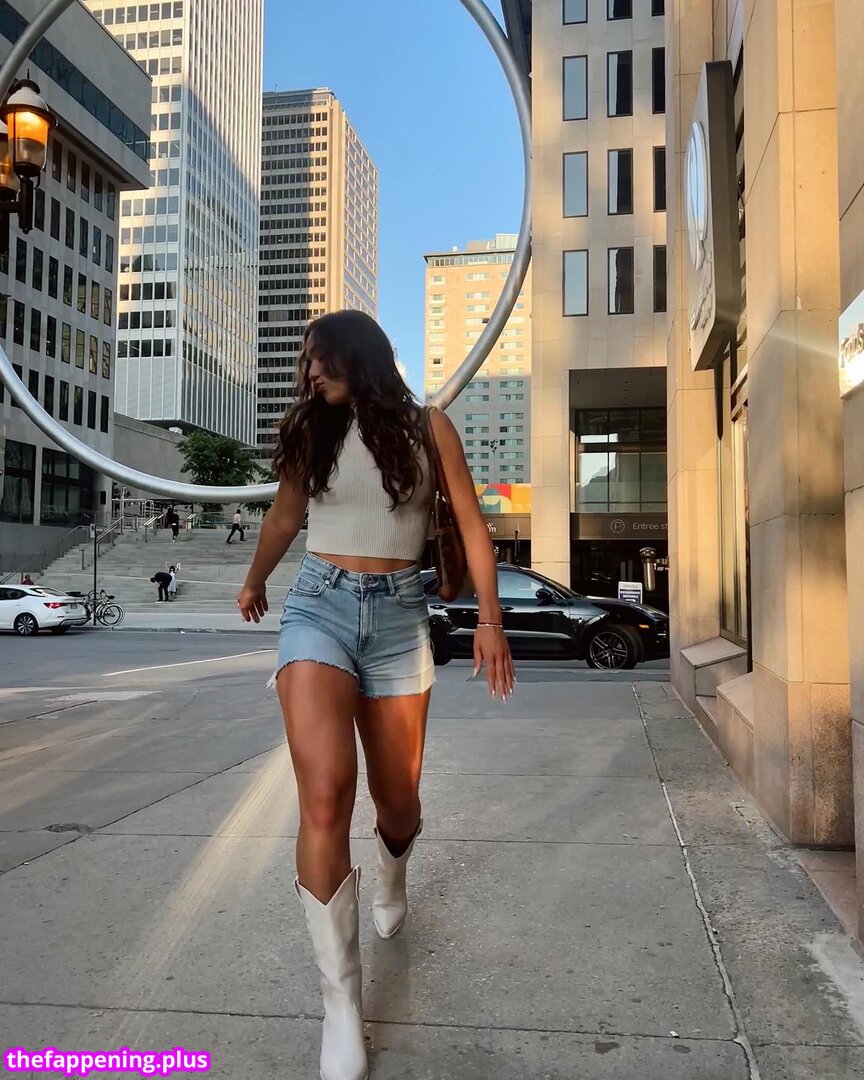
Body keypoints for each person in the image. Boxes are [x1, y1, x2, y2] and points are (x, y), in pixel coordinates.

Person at [236, 310, 514, 1080]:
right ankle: (341, 1007)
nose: (309, 373)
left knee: (398, 802)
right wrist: (255, 579)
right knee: (326, 791)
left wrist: (490, 621)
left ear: (358, 357)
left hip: (398, 619)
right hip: (318, 606)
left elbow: (472, 525)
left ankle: (393, 867)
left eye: (320, 359)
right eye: (306, 362)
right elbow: (286, 516)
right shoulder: (311, 432)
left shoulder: (429, 427)